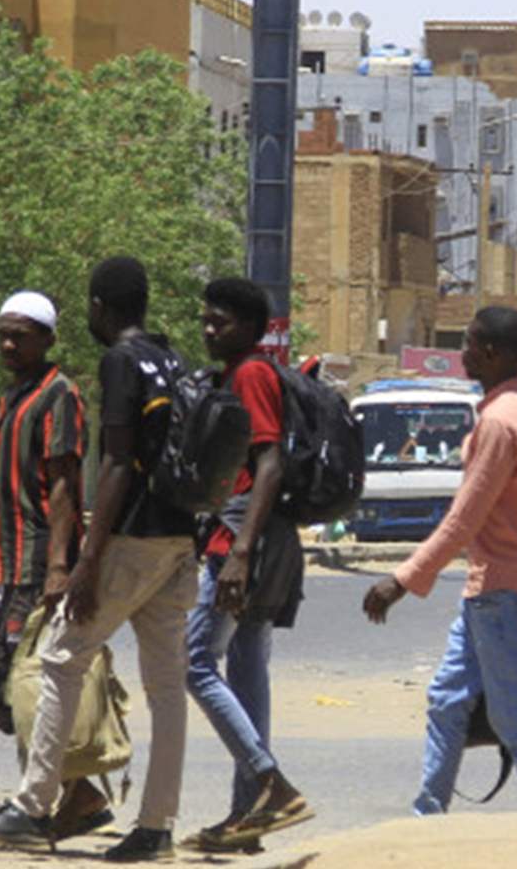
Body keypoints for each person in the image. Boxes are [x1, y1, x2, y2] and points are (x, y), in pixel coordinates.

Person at [0, 257, 200, 861]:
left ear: (99, 307)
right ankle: (156, 826)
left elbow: (115, 463)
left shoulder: (120, 361)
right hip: (179, 537)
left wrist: (85, 561)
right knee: (166, 686)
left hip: (135, 537)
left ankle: (35, 804)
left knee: (60, 658)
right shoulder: (170, 358)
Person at [362, 306, 517, 815]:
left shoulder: (500, 421)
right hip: (504, 589)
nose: (463, 352)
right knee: (447, 700)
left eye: (470, 343)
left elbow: (463, 519)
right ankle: (428, 816)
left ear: (491, 352)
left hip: (504, 594)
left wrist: (401, 580)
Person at [0, 292, 112, 842]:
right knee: (2, 688)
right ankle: (77, 792)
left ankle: (39, 803)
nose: (9, 345)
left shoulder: (59, 395)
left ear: (48, 339)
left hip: (38, 565)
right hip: (8, 564)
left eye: (21, 336)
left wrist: (59, 567)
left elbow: (62, 486)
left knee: (16, 686)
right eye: (4, 335)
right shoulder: (13, 396)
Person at [182, 278, 311, 853]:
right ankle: (247, 818)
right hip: (262, 538)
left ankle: (269, 784)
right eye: (207, 320)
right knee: (247, 669)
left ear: (252, 328)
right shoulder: (239, 374)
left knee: (194, 662)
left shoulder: (252, 375)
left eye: (222, 321)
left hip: (242, 538)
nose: (210, 330)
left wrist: (238, 551)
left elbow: (270, 464)